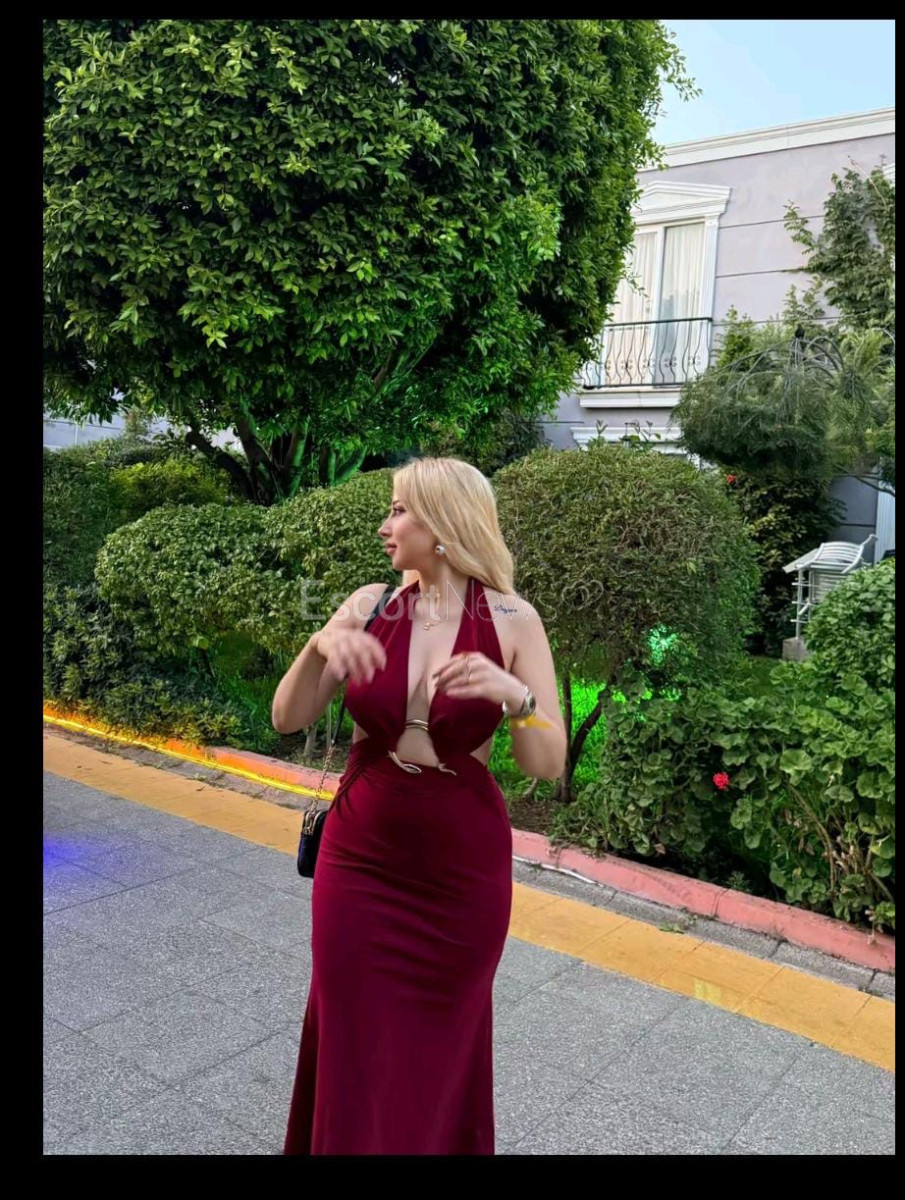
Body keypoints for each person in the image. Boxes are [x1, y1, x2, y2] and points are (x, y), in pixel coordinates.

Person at [272, 456, 566, 1156]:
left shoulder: (513, 620)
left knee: (438, 1056)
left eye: (399, 510)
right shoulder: (368, 604)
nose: (385, 525)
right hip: (360, 858)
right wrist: (316, 647)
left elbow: (545, 764)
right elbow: (286, 718)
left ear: (443, 525)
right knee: (352, 1044)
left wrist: (516, 697)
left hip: (459, 876)